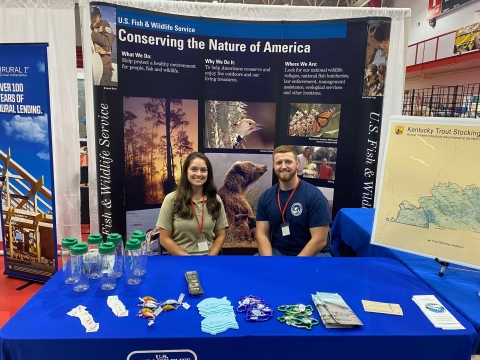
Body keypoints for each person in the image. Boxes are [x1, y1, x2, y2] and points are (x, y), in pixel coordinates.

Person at [256, 145, 332, 257]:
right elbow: (262, 234)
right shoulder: (266, 197)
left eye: (288, 162)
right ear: (273, 166)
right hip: (279, 253)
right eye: (278, 163)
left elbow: (319, 240)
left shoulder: (314, 196)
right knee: (248, 270)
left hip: (315, 254)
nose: (283, 166)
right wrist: (269, 263)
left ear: (297, 164)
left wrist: (294, 266)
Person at [156, 152, 228, 255]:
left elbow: (221, 236)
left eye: (203, 170)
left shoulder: (215, 199)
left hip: (208, 259)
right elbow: (164, 238)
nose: (199, 174)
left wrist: (210, 259)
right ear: (186, 172)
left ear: (208, 173)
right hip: (180, 259)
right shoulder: (171, 199)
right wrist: (189, 260)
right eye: (194, 169)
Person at [90, 6, 115, 86]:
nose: (93, 19)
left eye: (95, 17)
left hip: (104, 65)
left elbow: (108, 41)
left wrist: (92, 34)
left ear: (100, 17)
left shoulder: (105, 26)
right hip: (93, 64)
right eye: (91, 17)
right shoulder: (90, 27)